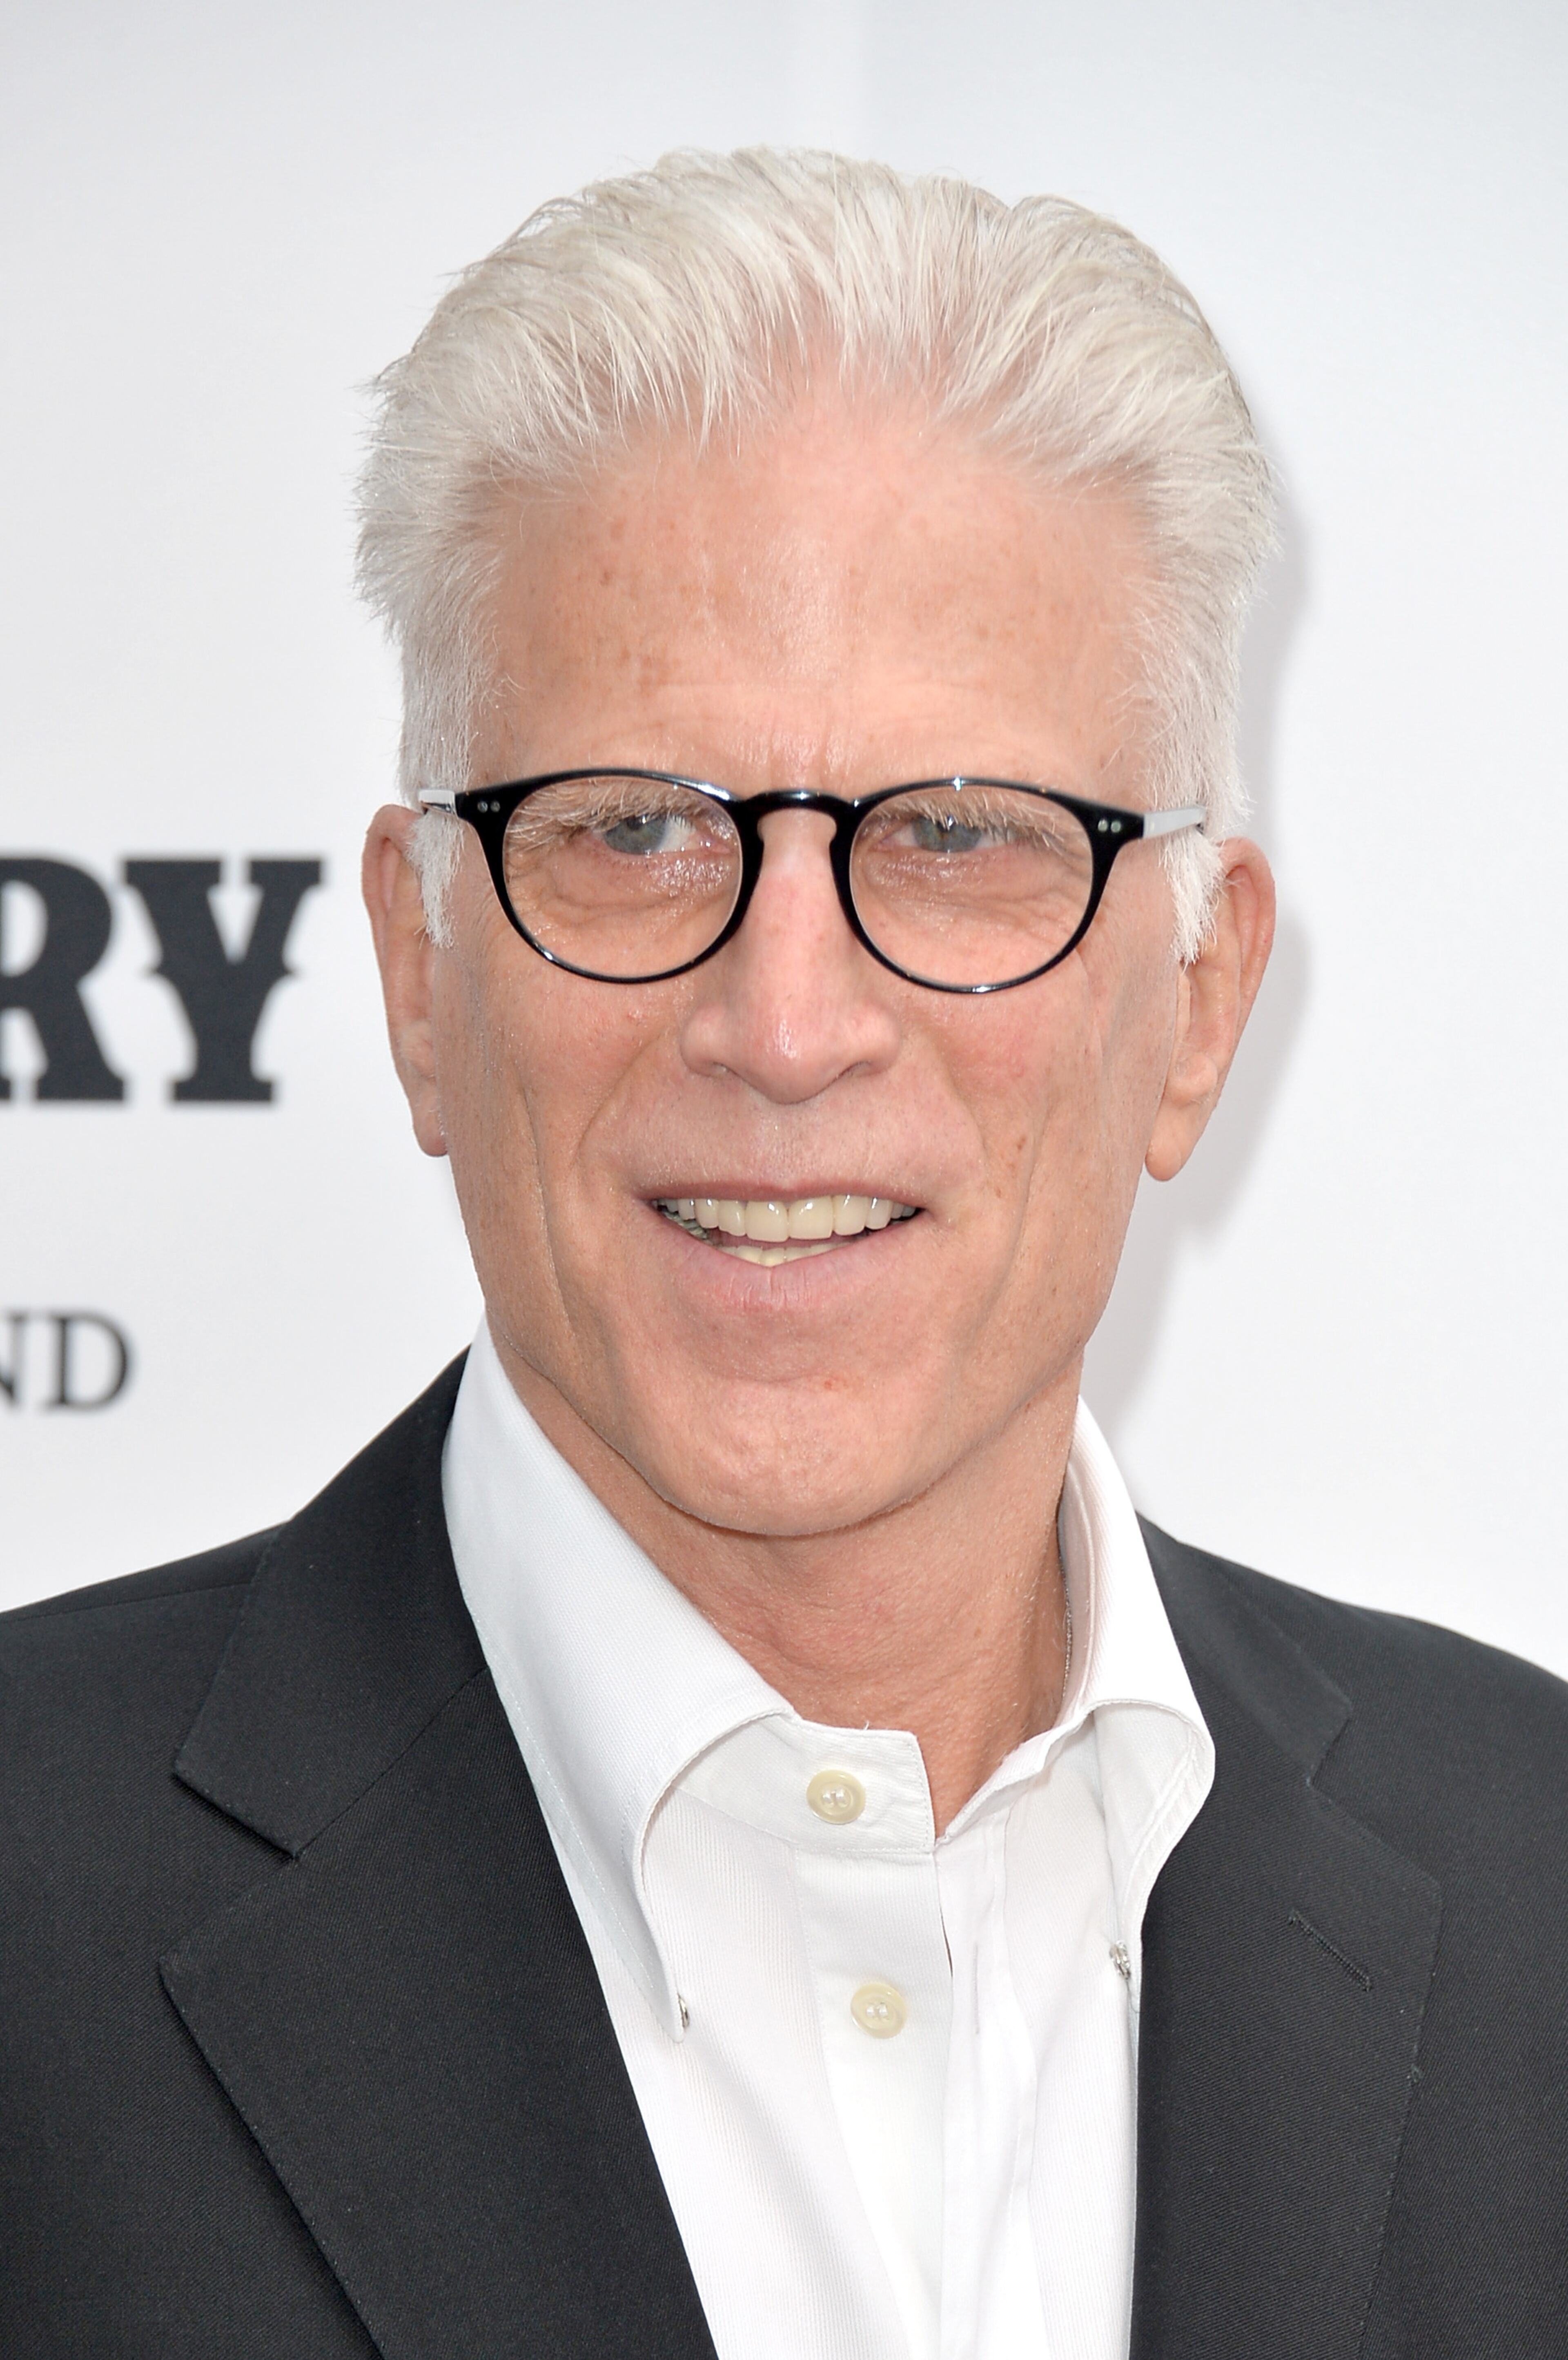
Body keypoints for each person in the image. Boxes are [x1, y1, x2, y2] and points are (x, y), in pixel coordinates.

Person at [3, 149, 1564, 2360]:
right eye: (635, 830)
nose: (790, 1024)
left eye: (957, 837)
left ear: (1196, 1002)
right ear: (420, 970)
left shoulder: (1540, 1887)